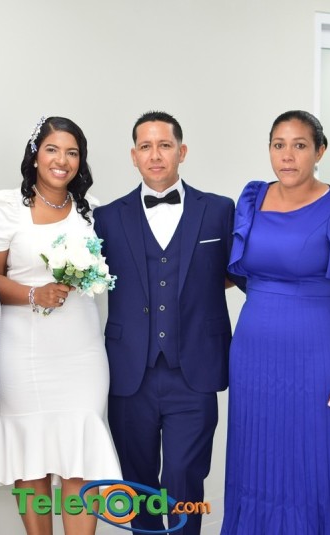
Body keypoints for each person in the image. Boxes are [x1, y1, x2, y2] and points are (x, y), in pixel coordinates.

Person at [221, 110, 330, 534]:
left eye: (300, 145)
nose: (287, 156)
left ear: (320, 151)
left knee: (317, 461)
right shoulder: (252, 198)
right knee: (256, 459)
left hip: (318, 356)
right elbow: (232, 273)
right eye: (279, 145)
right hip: (253, 355)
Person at [93, 111, 244, 535]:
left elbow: (243, 271)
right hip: (130, 372)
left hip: (194, 370)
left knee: (184, 478)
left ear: (182, 151)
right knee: (137, 483)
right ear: (133, 156)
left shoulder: (218, 210)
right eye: (145, 146)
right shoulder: (106, 217)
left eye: (164, 145)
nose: (155, 155)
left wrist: (328, 293)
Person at [0, 116, 122, 535]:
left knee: (81, 457)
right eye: (52, 150)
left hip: (81, 352)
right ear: (35, 155)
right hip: (24, 353)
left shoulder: (91, 211)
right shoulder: (6, 209)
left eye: (72, 152)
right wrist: (32, 294)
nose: (62, 160)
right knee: (31, 457)